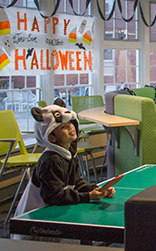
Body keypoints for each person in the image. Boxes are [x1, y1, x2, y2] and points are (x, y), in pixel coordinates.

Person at [11, 100, 115, 239]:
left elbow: (77, 183)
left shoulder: (69, 155)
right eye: (63, 127)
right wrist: (88, 196)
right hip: (34, 223)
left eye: (70, 123)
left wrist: (97, 189)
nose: (71, 127)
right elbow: (55, 196)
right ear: (52, 138)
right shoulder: (50, 161)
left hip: (52, 215)